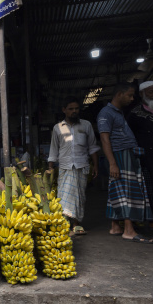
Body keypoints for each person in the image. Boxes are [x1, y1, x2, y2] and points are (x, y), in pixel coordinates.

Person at [96, 82, 153, 244]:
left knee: (117, 189)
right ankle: (129, 230)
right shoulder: (106, 113)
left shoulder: (118, 113)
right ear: (119, 94)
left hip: (126, 154)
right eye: (129, 95)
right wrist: (113, 163)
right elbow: (104, 138)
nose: (132, 98)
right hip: (119, 155)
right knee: (126, 192)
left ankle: (115, 226)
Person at [48, 98, 100, 236]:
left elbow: (93, 147)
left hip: (82, 166)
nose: (74, 111)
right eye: (71, 108)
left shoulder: (86, 125)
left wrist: (96, 165)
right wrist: (50, 167)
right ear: (64, 110)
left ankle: (76, 224)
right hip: (65, 167)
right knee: (63, 196)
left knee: (79, 196)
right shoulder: (58, 127)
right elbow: (54, 149)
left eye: (76, 108)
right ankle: (64, 223)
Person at [127, 81, 153, 230]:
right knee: (150, 188)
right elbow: (130, 136)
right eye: (150, 92)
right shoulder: (135, 114)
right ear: (142, 94)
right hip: (147, 157)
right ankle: (151, 219)